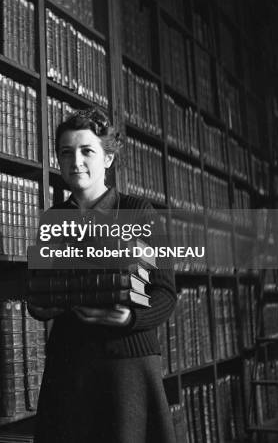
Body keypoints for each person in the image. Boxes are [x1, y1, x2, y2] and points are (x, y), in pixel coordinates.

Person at [28, 107, 177, 443]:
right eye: (66, 153)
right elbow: (37, 300)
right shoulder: (53, 219)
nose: (75, 161)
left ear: (108, 159)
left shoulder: (139, 211)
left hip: (128, 367)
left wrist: (128, 317)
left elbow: (165, 294)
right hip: (69, 368)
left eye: (87, 151)